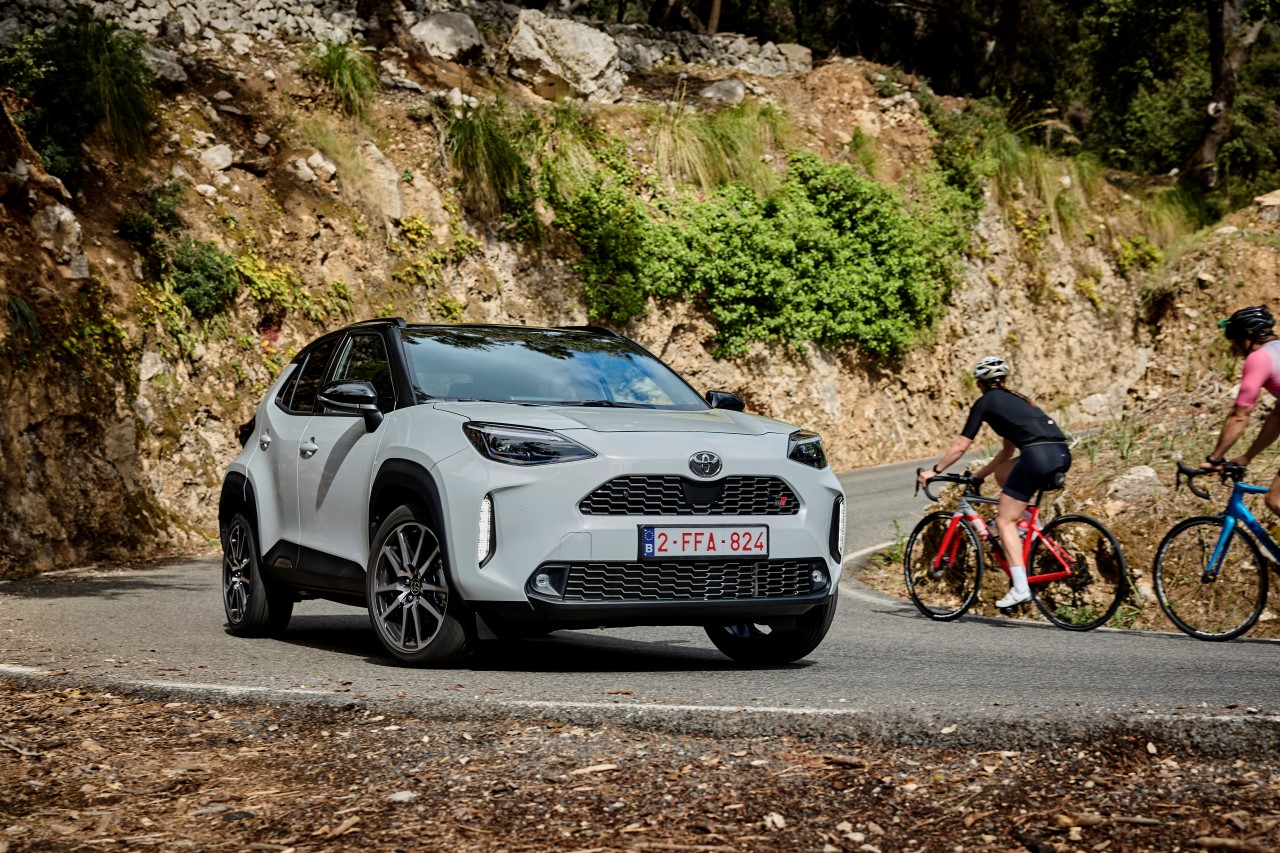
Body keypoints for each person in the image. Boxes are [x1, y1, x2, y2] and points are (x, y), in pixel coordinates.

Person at [918, 356, 1072, 608]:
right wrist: (980, 475)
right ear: (1005, 381)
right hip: (1060, 453)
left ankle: (1020, 588)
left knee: (1003, 521)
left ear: (980, 384)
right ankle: (1029, 526)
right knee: (1003, 473)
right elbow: (1007, 452)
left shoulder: (986, 402)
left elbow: (961, 445)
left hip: (1036, 456)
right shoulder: (1019, 401)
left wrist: (934, 471)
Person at [1202, 305, 1280, 520]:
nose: (1234, 349)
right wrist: (1247, 456)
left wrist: (1214, 459)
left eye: (1234, 343)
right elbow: (1277, 417)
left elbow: (1240, 415)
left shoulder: (1259, 358)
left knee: (1275, 499)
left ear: (1246, 341)